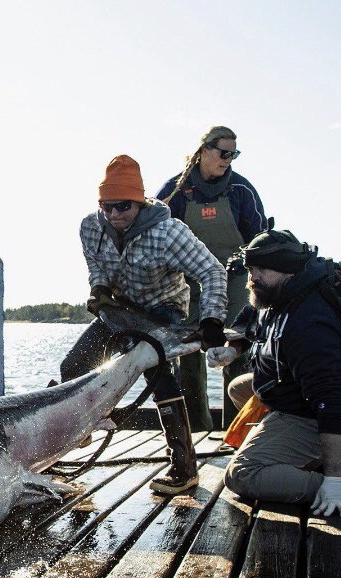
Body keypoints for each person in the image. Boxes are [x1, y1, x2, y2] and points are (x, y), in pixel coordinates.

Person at [61, 154, 228, 494]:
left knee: (157, 373)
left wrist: (212, 318)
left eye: (122, 206)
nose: (113, 215)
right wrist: (100, 287)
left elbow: (212, 271)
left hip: (163, 307)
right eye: (106, 206)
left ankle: (183, 468)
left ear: (138, 202)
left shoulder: (169, 233)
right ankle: (81, 427)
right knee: (73, 365)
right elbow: (95, 265)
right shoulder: (90, 227)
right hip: (120, 306)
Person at [216, 230, 341, 516]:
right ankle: (306, 457)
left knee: (242, 474)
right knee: (239, 388)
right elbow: (251, 321)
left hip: (328, 411)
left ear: (287, 269)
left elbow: (332, 403)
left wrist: (334, 482)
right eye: (250, 269)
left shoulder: (309, 324)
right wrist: (232, 350)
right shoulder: (278, 291)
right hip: (293, 391)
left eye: (262, 269)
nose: (253, 277)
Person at [158, 126, 268, 432]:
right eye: (223, 152)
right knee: (189, 357)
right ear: (204, 150)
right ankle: (197, 429)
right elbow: (156, 236)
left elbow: (259, 238)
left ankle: (238, 430)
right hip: (187, 282)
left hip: (235, 280)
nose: (228, 159)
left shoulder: (241, 190)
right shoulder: (175, 190)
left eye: (234, 153)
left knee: (234, 352)